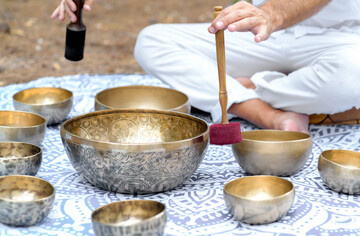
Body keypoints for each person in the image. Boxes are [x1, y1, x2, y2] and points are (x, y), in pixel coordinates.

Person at [52, 1, 360, 133]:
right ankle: (263, 112)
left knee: (353, 75)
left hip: (343, 39)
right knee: (152, 41)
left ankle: (252, 85)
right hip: (264, 34)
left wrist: (270, 14)